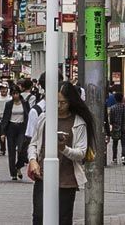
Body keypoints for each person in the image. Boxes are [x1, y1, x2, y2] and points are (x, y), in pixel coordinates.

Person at [27, 82, 94, 225]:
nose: (59, 106)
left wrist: (64, 148)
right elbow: (34, 143)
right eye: (56, 102)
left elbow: (81, 152)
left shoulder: (78, 122)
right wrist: (33, 160)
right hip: (43, 176)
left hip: (66, 179)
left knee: (63, 219)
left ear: (71, 102)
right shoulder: (44, 118)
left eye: (63, 102)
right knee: (39, 216)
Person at [1, 84, 31, 180]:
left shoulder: (25, 103)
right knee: (11, 151)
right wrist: (3, 133)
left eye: (17, 93)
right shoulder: (9, 104)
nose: (15, 96)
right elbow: (5, 118)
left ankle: (18, 166)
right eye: (13, 94)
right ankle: (13, 173)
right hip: (11, 128)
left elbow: (29, 116)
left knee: (21, 149)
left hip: (22, 128)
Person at [108, 92, 125, 165]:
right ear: (122, 99)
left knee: (115, 144)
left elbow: (111, 119)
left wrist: (112, 124)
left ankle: (114, 159)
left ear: (115, 99)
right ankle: (123, 158)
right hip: (124, 127)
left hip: (115, 128)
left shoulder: (112, 108)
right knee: (124, 143)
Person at [0, 82, 11, 155]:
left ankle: (11, 149)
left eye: (4, 89)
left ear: (7, 89)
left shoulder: (10, 98)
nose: (3, 90)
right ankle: (2, 149)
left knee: (10, 135)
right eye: (1, 89)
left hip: (9, 119)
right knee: (1, 136)